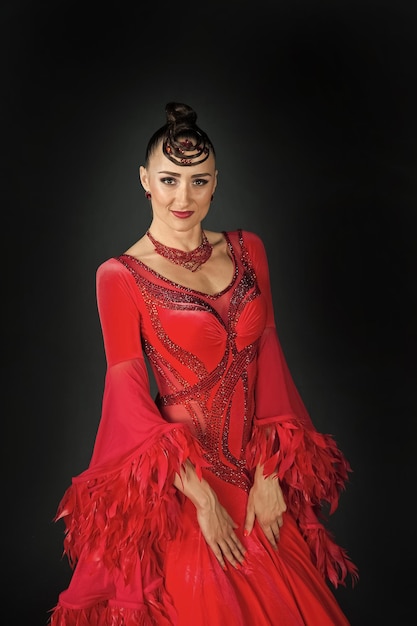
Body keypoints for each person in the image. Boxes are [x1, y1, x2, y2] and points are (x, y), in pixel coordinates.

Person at [49, 102, 358, 626]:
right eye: (169, 180)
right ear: (145, 180)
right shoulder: (119, 276)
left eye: (198, 181)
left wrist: (270, 476)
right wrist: (202, 501)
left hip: (258, 480)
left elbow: (272, 369)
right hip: (189, 489)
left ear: (216, 182)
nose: (183, 197)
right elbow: (127, 406)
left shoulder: (249, 249)